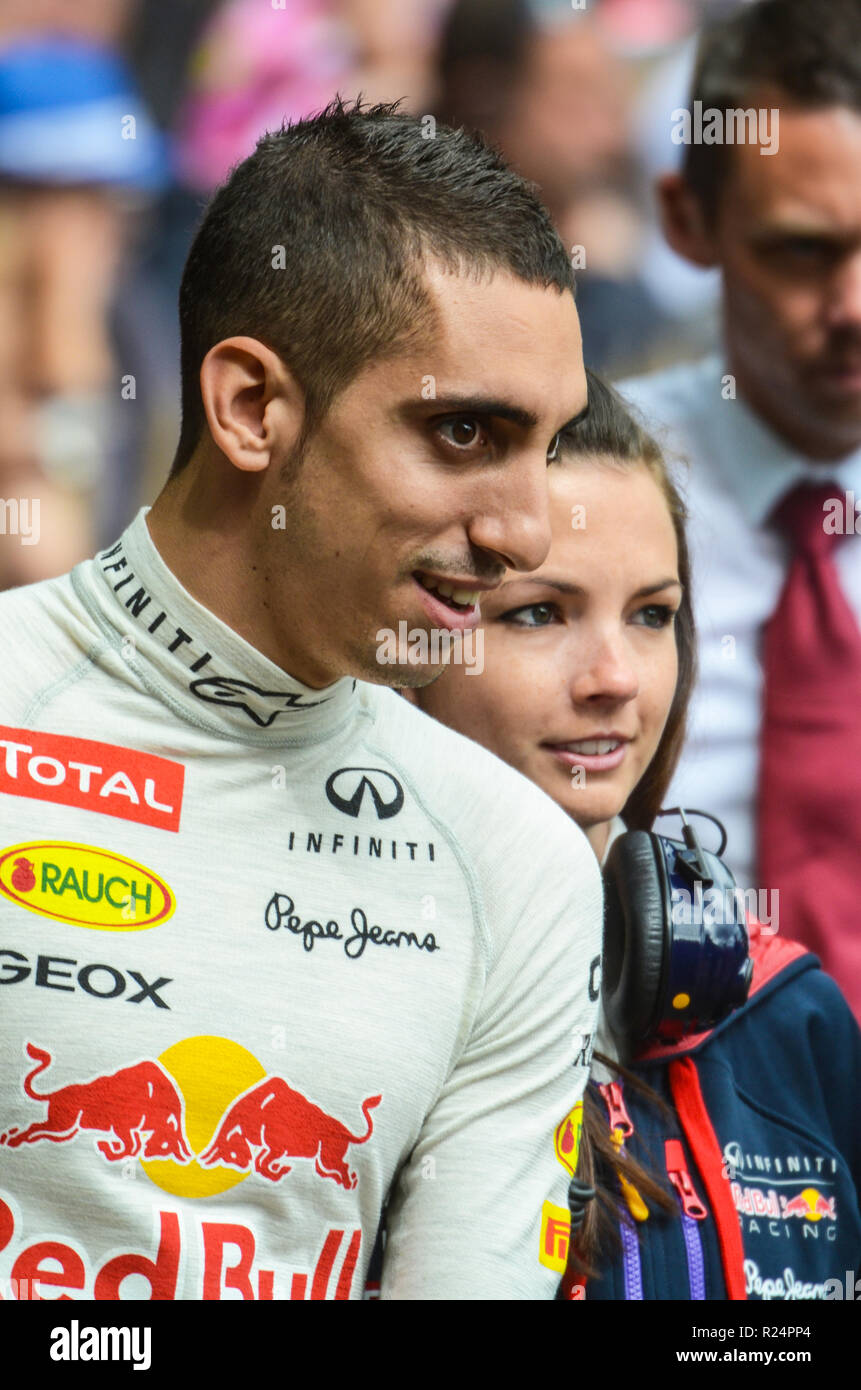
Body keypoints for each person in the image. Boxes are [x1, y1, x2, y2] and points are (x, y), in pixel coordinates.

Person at [0, 100, 602, 1301]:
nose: (525, 530)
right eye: (464, 431)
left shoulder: (515, 863)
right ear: (251, 409)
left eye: (546, 444)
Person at [402, 370, 861, 1300]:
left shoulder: (786, 1016)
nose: (616, 677)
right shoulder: (331, 1000)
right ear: (406, 648)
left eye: (652, 616)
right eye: (538, 613)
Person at [617, 0, 861, 1015]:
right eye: (803, 251)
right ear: (688, 221)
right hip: (652, 1132)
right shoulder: (572, 496)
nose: (853, 307)